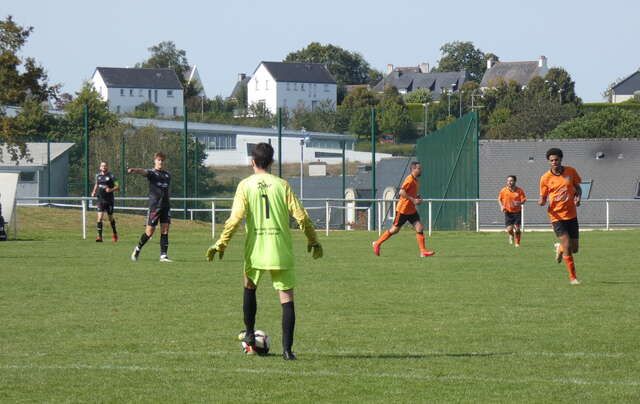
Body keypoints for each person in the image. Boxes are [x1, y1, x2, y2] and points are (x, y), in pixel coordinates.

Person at [206, 142, 322, 361]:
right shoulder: (282, 185)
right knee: (286, 297)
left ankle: (249, 333)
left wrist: (221, 243)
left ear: (252, 162)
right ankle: (287, 351)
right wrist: (313, 240)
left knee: (249, 287)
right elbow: (302, 217)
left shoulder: (245, 185)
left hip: (256, 249)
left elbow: (234, 219)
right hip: (280, 249)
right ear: (272, 162)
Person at [538, 148, 582, 285]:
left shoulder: (571, 171)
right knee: (568, 245)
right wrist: (542, 201)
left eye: (556, 159)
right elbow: (543, 196)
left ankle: (559, 248)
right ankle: (573, 278)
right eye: (551, 160)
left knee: (574, 248)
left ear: (561, 159)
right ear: (548, 162)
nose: (554, 162)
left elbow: (578, 187)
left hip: (571, 215)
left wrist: (578, 197)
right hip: (556, 216)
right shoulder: (545, 178)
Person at [372, 162, 435, 257]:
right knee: (394, 230)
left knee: (419, 227)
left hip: (411, 210)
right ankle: (377, 243)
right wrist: (413, 200)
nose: (421, 170)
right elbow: (401, 192)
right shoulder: (409, 179)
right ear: (413, 169)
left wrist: (418, 198)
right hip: (403, 210)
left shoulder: (416, 181)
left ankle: (423, 251)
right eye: (419, 169)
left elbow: (412, 193)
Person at [128, 152, 173, 262]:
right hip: (155, 207)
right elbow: (144, 172)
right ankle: (137, 249)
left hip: (165, 206)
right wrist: (135, 170)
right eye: (159, 160)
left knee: (165, 230)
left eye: (162, 160)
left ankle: (163, 255)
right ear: (155, 161)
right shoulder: (152, 173)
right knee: (149, 232)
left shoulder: (168, 175)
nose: (160, 162)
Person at [91, 162, 120, 242]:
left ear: (107, 167)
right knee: (99, 218)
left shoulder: (111, 176)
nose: (103, 167)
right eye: (102, 166)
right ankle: (99, 237)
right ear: (100, 167)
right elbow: (96, 184)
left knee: (110, 218)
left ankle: (114, 233)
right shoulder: (98, 176)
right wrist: (93, 192)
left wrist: (110, 190)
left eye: (105, 166)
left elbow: (118, 186)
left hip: (109, 200)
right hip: (100, 200)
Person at [497, 175, 526, 247]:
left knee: (517, 228)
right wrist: (501, 206)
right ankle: (511, 235)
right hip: (508, 212)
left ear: (515, 181)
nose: (509, 182)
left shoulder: (519, 190)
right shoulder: (504, 190)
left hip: (517, 212)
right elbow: (499, 199)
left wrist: (520, 203)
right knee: (509, 229)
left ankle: (517, 243)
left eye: (511, 181)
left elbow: (524, 199)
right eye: (508, 181)